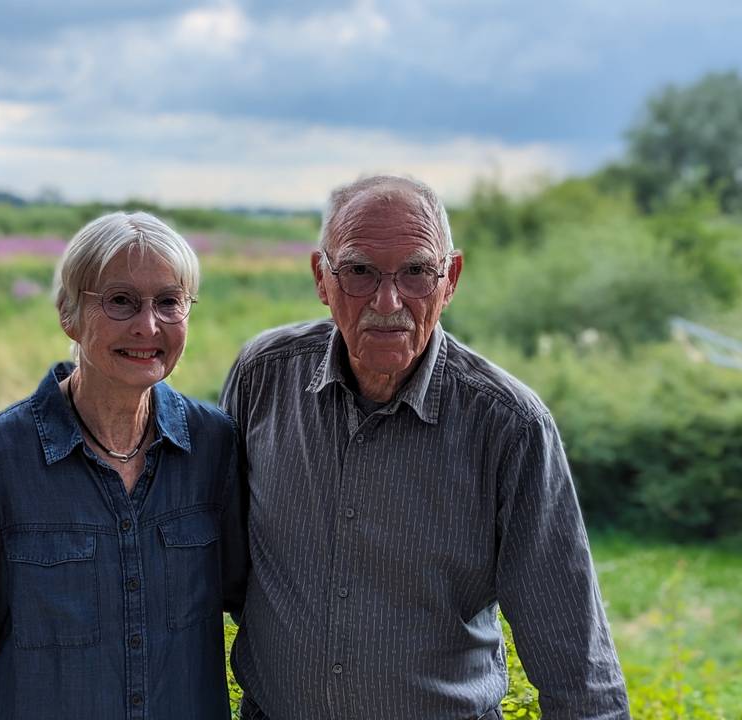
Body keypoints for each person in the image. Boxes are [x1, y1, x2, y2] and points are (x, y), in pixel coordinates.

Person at [221, 176, 629, 719]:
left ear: (450, 278)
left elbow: (573, 654)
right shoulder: (264, 377)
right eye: (360, 271)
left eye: (416, 271)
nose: (388, 302)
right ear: (322, 277)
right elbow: (213, 555)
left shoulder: (508, 425)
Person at [0, 212, 247, 719]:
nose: (148, 326)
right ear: (69, 314)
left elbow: (260, 605)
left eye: (169, 302)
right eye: (121, 301)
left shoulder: (214, 445)